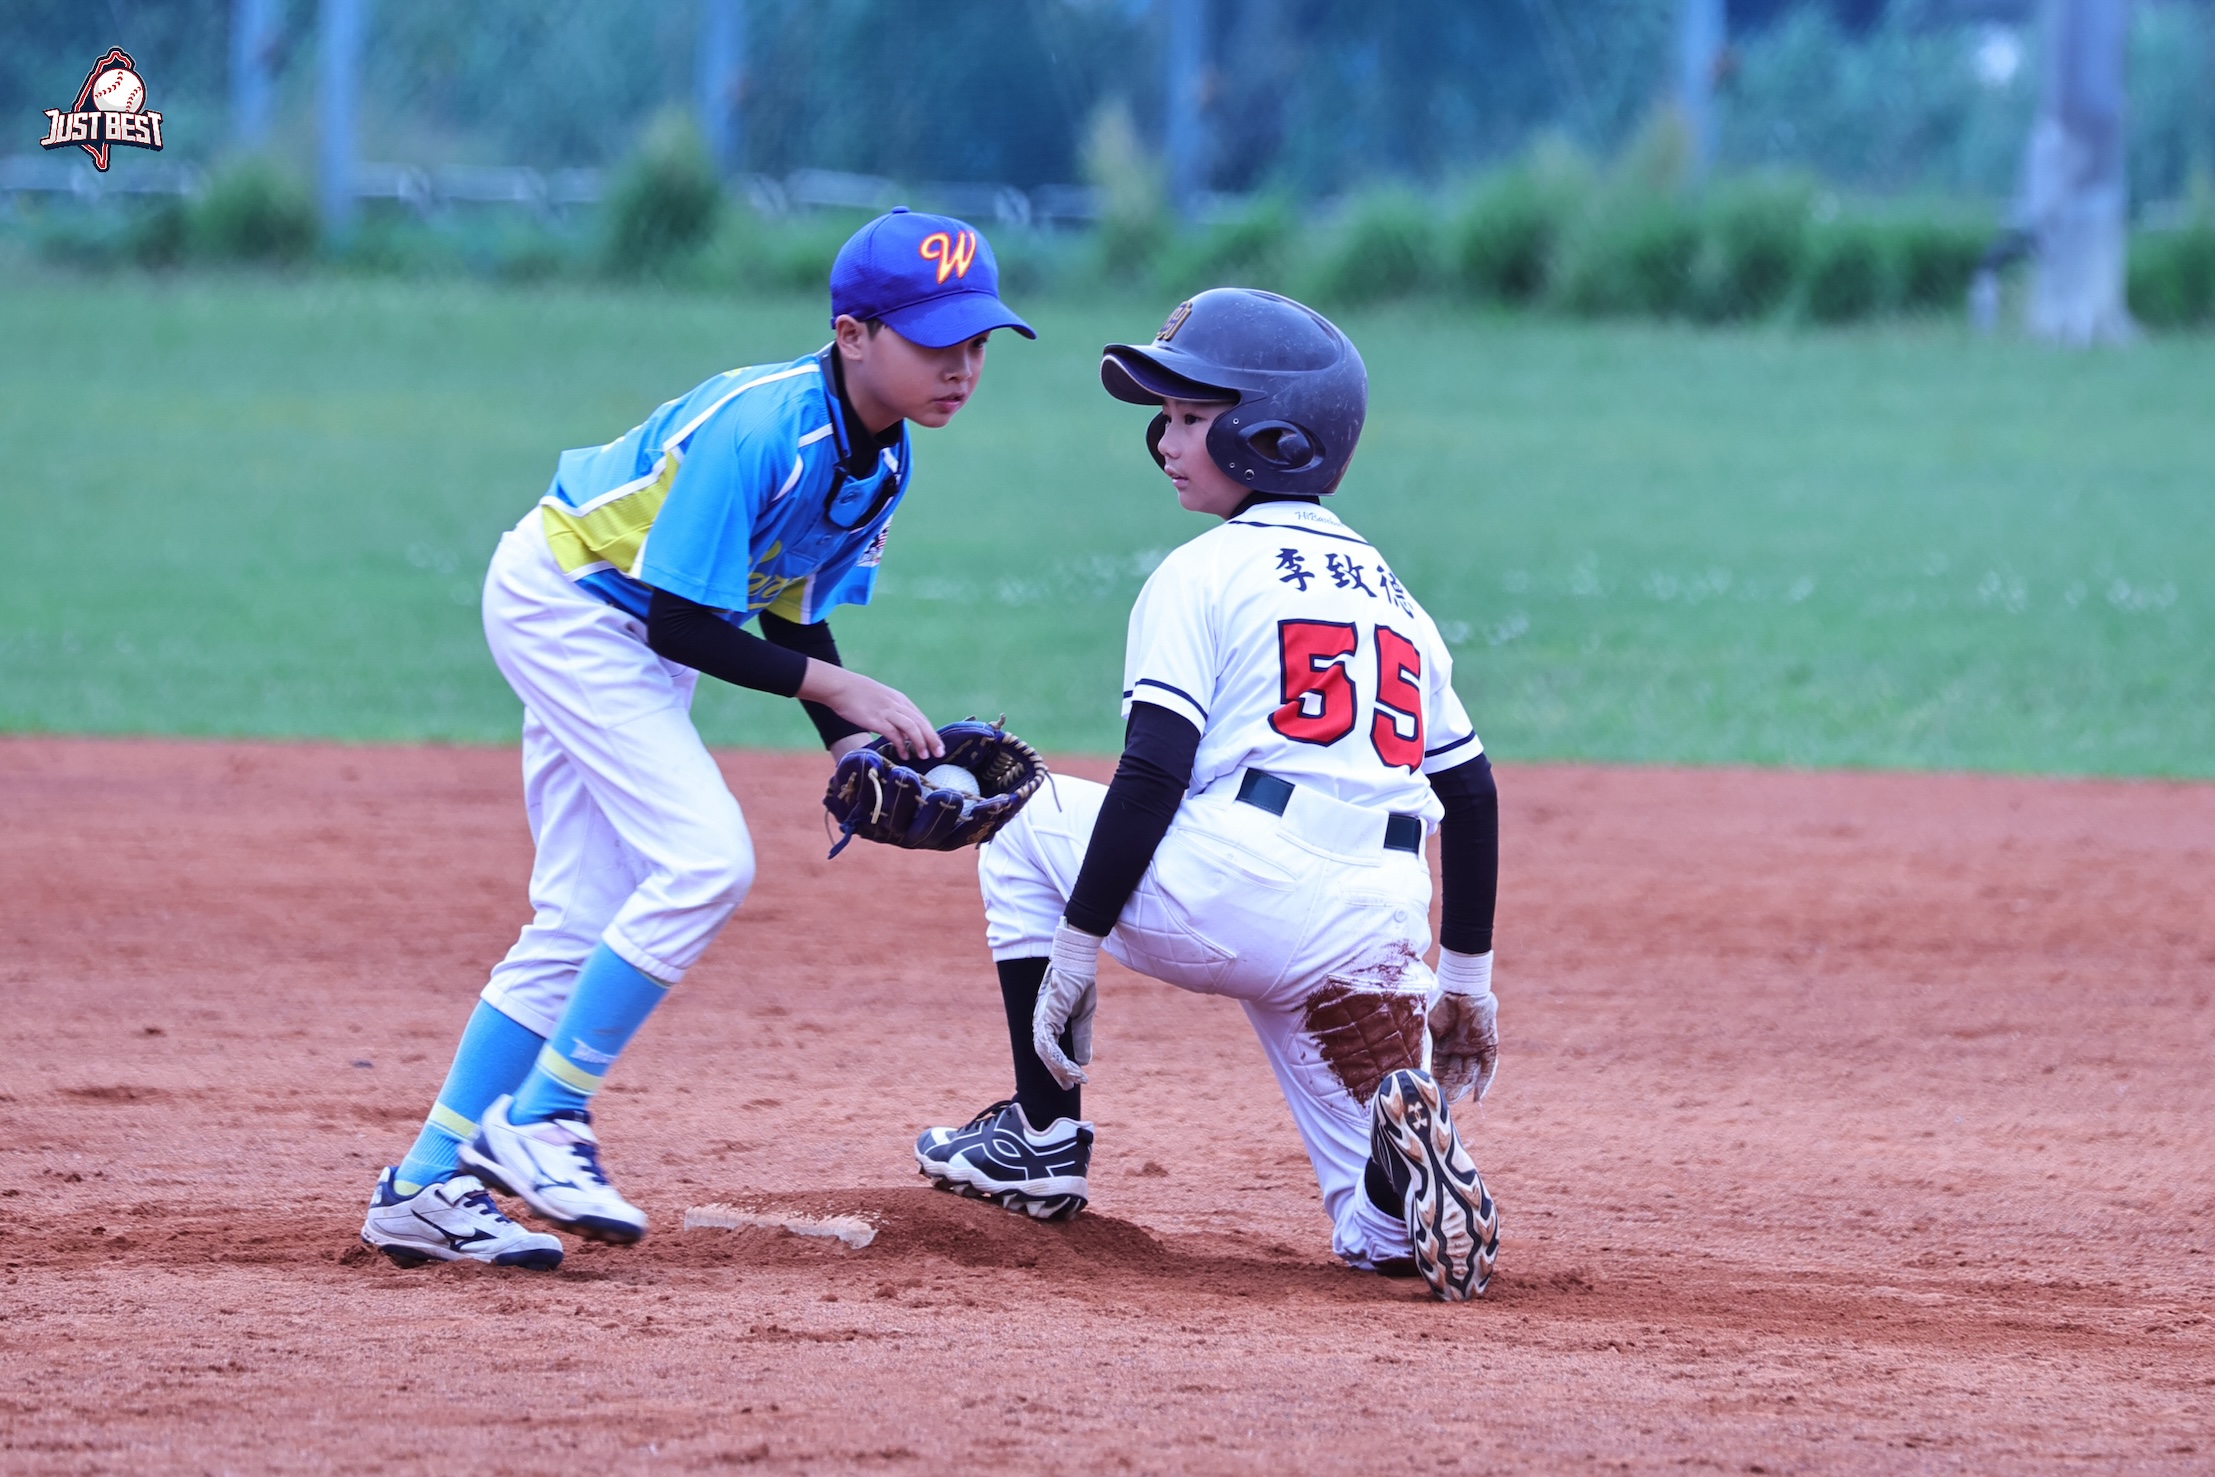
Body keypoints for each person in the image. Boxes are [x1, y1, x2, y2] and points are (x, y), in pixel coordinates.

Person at [361, 209, 1032, 1271]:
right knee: (705, 859)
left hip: (634, 626)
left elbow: (788, 607)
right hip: (571, 599)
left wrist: (845, 743)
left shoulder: (885, 458)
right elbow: (682, 622)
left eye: (979, 342)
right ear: (854, 335)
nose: (964, 365)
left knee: (582, 913)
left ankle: (426, 1185)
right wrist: (846, 692)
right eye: (936, 339)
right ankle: (541, 1121)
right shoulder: (763, 428)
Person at [914, 289, 1503, 1299]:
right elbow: (1474, 792)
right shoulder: (1392, 592)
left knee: (1017, 814)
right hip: (1380, 919)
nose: (1164, 440)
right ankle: (1385, 1170)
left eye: (1192, 416)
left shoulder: (1202, 571)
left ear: (1269, 434)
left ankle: (1042, 1131)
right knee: (1377, 1242)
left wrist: (1074, 941)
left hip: (1242, 885)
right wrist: (1468, 983)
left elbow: (1151, 772)